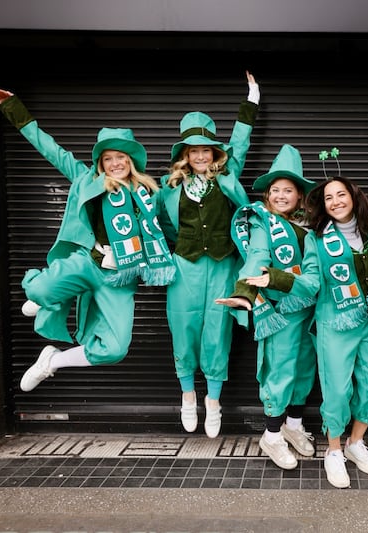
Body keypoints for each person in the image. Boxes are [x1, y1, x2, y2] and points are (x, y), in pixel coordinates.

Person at [0, 88, 175, 392]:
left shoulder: (149, 193)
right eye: (108, 158)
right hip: (88, 261)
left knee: (115, 348)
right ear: (101, 162)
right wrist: (12, 107)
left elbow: (167, 232)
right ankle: (48, 299)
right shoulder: (86, 179)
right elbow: (52, 150)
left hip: (119, 278)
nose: (115, 163)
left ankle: (51, 361)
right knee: (37, 289)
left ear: (130, 160)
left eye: (121, 157)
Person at [246, 174, 368, 488]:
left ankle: (356, 443)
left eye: (341, 194)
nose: (335, 202)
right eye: (329, 198)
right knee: (337, 391)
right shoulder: (316, 240)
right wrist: (275, 279)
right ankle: (333, 451)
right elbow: (311, 282)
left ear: (353, 196)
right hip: (334, 321)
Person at [157, 72, 259, 438]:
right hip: (183, 266)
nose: (200, 155)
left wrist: (252, 98)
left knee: (217, 330)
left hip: (221, 264)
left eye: (206, 149)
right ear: (185, 155)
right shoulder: (168, 188)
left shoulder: (227, 177)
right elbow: (160, 227)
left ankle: (213, 401)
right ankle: (188, 395)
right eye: (193, 150)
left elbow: (240, 142)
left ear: (213, 153)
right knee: (182, 328)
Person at [216, 144, 318, 470]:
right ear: (268, 195)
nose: (281, 195)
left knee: (304, 370)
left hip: (309, 308)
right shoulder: (263, 222)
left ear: (300, 196)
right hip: (280, 310)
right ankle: (272, 436)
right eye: (275, 190)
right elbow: (257, 256)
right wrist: (244, 293)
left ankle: (294, 425)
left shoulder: (310, 223)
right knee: (281, 371)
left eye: (288, 190)